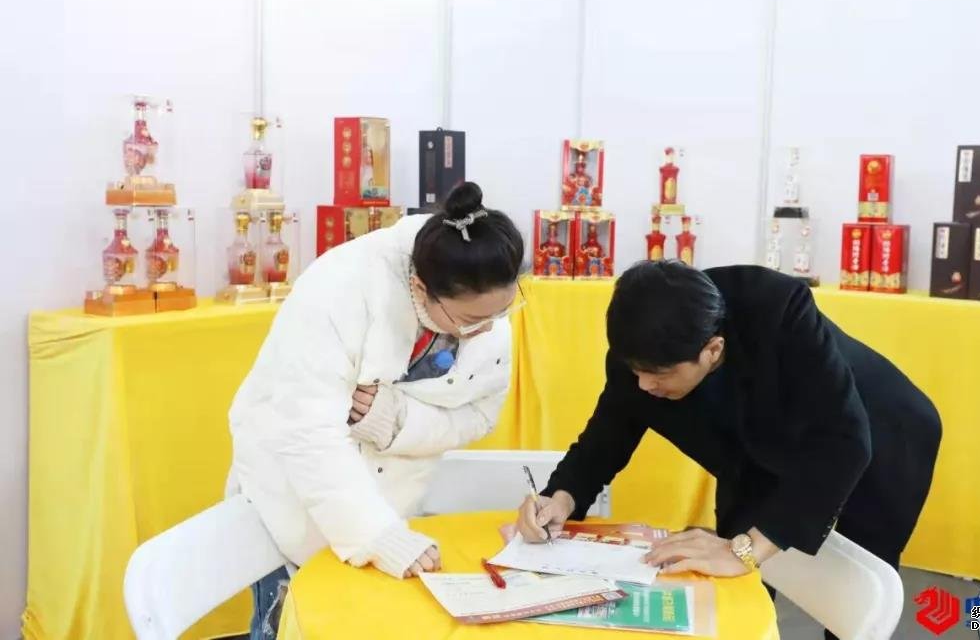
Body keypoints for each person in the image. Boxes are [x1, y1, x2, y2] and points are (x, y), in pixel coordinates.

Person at [516, 261, 941, 640]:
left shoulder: (778, 309)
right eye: (636, 371)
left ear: (712, 350)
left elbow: (844, 441)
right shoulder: (645, 352)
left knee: (850, 597)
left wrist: (746, 549)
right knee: (732, 582)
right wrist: (561, 497)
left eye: (657, 375)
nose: (644, 385)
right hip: (757, 453)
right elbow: (608, 431)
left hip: (879, 440)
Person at [226, 182, 525, 639]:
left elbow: (481, 415)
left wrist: (397, 421)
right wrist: (375, 534)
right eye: (469, 321)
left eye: (501, 313)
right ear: (421, 288)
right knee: (290, 622)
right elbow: (307, 432)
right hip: (296, 501)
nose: (487, 331)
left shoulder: (484, 299)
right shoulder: (339, 288)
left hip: (392, 509)